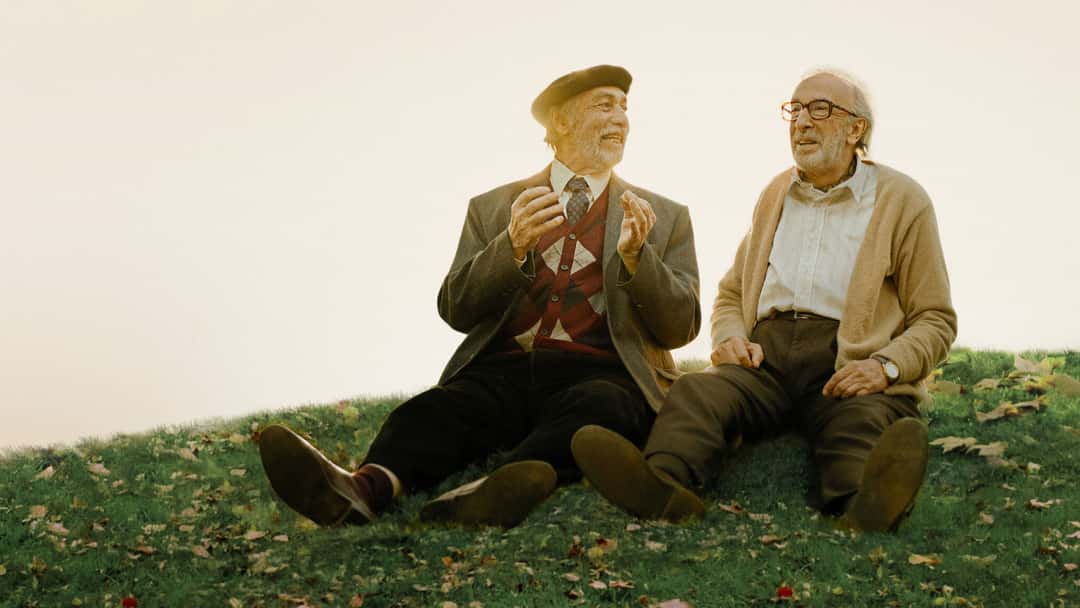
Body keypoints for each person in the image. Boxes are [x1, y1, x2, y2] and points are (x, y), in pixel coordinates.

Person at [258, 65, 701, 529]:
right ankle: (361, 489)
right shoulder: (491, 207)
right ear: (561, 122)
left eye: (624, 107)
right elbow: (457, 308)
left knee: (602, 413)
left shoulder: (666, 216)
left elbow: (681, 326)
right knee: (436, 410)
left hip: (600, 375)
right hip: (503, 373)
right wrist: (511, 247)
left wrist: (638, 259)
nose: (621, 118)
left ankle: (488, 491)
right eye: (604, 105)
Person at [572, 69, 957, 532]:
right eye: (795, 110)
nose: (802, 122)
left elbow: (935, 318)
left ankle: (863, 507)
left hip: (845, 361)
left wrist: (886, 367)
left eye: (820, 109)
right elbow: (732, 293)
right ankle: (663, 485)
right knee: (697, 391)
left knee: (862, 417)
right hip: (765, 361)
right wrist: (731, 337)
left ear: (856, 129)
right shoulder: (775, 193)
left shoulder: (902, 200)